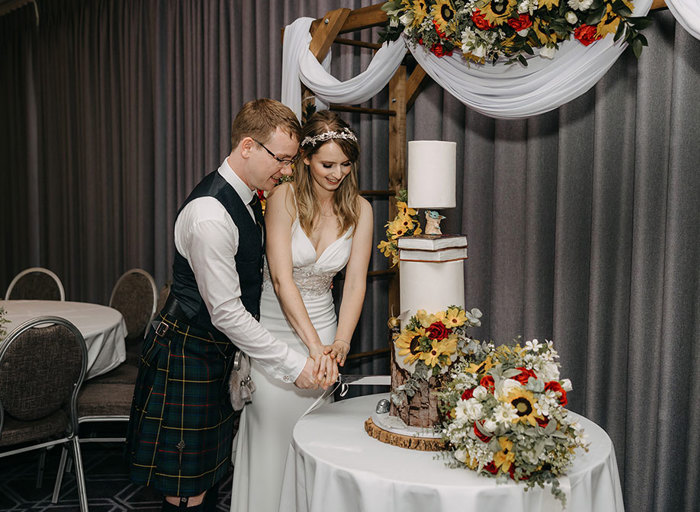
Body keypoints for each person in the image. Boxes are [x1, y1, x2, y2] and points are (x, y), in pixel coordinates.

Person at [126, 98, 331, 512]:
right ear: (248, 147)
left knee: (206, 477)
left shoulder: (249, 196)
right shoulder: (209, 216)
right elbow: (226, 312)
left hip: (212, 354)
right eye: (283, 159)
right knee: (185, 489)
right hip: (186, 354)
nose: (289, 171)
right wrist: (294, 365)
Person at [230, 110, 373, 512]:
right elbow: (280, 279)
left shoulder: (361, 210)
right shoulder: (283, 197)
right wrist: (312, 348)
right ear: (306, 159)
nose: (337, 173)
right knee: (273, 436)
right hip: (276, 331)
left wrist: (338, 343)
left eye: (346, 165)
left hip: (326, 332)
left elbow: (357, 282)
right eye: (328, 164)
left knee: (311, 439)